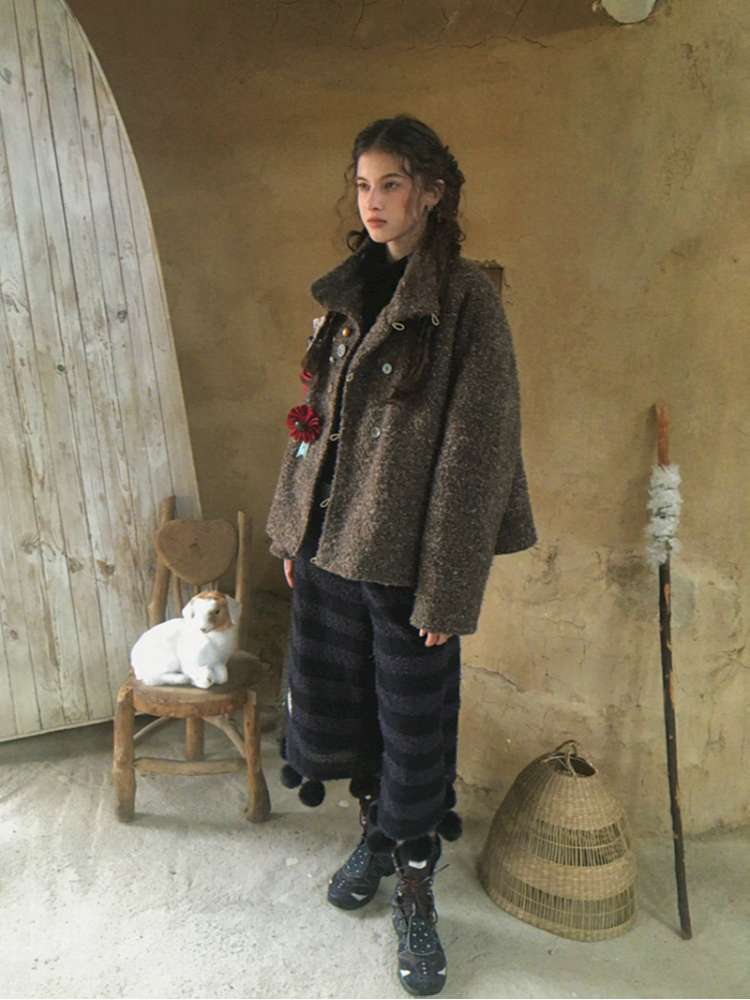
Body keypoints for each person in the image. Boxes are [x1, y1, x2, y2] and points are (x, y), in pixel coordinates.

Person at [265, 114, 537, 997]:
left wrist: (447, 592)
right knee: (353, 719)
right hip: (332, 551)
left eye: (390, 184)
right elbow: (314, 423)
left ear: (431, 191)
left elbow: (476, 456)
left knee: (414, 738)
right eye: (362, 184)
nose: (372, 202)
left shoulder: (467, 301)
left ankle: (415, 886)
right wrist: (294, 531)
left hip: (407, 566)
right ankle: (374, 838)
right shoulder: (351, 291)